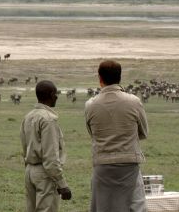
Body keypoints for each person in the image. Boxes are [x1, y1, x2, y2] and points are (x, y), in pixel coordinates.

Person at [84, 60, 148, 212]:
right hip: (129, 164)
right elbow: (143, 132)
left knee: (102, 206)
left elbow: (92, 134)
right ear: (120, 77)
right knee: (135, 206)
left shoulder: (91, 105)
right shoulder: (134, 102)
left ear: (100, 78)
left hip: (102, 165)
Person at [20, 80, 72, 212]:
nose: (57, 97)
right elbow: (50, 157)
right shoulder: (48, 119)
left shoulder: (28, 116)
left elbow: (24, 147)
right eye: (55, 94)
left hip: (30, 171)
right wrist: (62, 184)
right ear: (50, 94)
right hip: (45, 173)